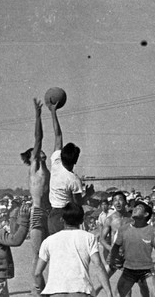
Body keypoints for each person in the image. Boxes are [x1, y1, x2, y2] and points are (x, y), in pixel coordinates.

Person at [34, 202, 113, 297]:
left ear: (61, 219)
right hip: (80, 291)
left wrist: (43, 291)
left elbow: (37, 273)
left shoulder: (48, 241)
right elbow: (98, 266)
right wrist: (109, 292)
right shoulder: (89, 238)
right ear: (82, 221)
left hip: (55, 292)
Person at [20, 98, 52, 295]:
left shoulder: (48, 168)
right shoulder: (36, 167)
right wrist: (38, 115)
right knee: (38, 255)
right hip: (38, 213)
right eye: (36, 151)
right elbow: (38, 138)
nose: (40, 151)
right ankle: (37, 290)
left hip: (49, 212)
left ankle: (46, 287)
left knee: (52, 255)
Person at [110, 201, 155, 297]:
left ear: (146, 214)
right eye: (135, 207)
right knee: (118, 295)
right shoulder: (123, 229)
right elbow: (116, 247)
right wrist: (112, 260)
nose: (135, 209)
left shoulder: (153, 232)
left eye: (139, 208)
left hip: (147, 271)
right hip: (128, 270)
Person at [47, 99, 89, 234]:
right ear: (75, 161)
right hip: (67, 216)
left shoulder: (56, 163)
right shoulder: (74, 179)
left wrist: (53, 112)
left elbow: (58, 135)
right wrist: (88, 194)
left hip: (53, 214)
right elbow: (78, 204)